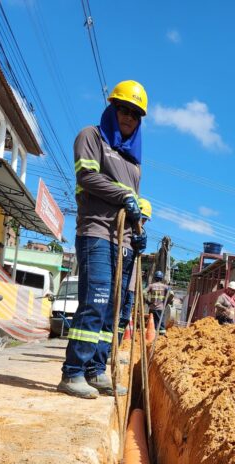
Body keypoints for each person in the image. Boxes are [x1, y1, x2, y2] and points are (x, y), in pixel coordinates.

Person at [59, 80, 148, 399]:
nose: (128, 117)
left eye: (135, 114)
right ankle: (72, 373)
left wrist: (139, 232)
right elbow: (87, 178)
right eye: (123, 109)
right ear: (112, 108)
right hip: (96, 232)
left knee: (112, 309)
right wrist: (124, 195)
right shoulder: (91, 137)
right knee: (95, 301)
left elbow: (132, 203)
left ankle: (96, 371)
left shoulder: (134, 164)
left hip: (123, 241)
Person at [118, 198, 152, 344]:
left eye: (144, 220)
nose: (142, 223)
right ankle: (104, 349)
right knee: (113, 315)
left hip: (130, 286)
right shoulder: (122, 231)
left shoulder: (140, 234)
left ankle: (114, 347)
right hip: (120, 283)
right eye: (141, 219)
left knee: (124, 318)